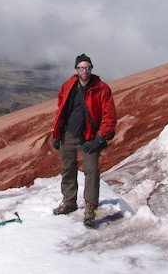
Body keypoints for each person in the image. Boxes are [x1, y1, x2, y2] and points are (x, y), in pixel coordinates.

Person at [51, 53, 117, 227]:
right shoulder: (68, 86)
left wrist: (100, 138)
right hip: (68, 134)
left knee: (92, 171)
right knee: (68, 169)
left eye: (87, 67)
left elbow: (109, 116)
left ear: (91, 69)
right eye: (81, 68)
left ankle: (90, 208)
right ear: (76, 69)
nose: (84, 71)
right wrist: (57, 134)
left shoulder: (102, 88)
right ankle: (69, 203)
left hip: (90, 136)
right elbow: (61, 111)